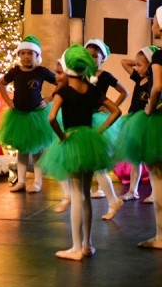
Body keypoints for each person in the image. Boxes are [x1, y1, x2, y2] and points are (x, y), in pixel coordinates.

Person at [40, 44, 121, 261]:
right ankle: (87, 244)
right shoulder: (93, 90)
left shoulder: (63, 91)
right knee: (86, 195)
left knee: (76, 194)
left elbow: (51, 118)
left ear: (67, 68)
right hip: (89, 140)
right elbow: (116, 111)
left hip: (73, 141)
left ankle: (76, 248)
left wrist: (62, 136)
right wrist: (99, 131)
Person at [115, 6, 162, 249]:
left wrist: (150, 109)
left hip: (154, 119)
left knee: (157, 175)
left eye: (154, 21)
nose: (152, 25)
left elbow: (157, 88)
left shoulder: (159, 57)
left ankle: (160, 237)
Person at [0, 35, 56, 193]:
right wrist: (8, 101)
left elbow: (61, 83)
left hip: (36, 115)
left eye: (30, 53)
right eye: (23, 53)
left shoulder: (41, 71)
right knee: (21, 151)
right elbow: (2, 84)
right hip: (18, 116)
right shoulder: (15, 71)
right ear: (19, 55)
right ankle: (21, 181)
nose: (26, 56)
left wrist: (49, 98)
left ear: (37, 55)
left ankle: (37, 182)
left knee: (36, 152)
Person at [86, 38, 128, 219]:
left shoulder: (105, 76)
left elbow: (124, 91)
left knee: (98, 164)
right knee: (86, 163)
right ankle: (86, 196)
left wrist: (111, 106)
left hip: (98, 120)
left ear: (102, 58)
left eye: (95, 56)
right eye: (88, 55)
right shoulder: (80, 75)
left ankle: (112, 200)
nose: (91, 59)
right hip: (83, 120)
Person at [116, 45, 156, 202]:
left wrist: (151, 63)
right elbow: (124, 62)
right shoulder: (139, 78)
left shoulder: (154, 81)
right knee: (135, 159)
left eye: (140, 65)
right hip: (133, 120)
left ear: (150, 66)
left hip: (146, 121)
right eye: (137, 65)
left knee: (150, 160)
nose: (137, 68)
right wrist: (139, 61)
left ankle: (155, 192)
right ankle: (133, 191)